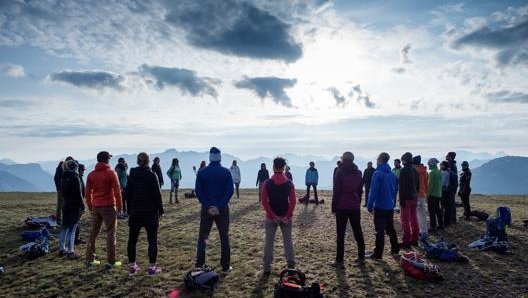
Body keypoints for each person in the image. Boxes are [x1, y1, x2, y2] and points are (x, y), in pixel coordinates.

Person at [195, 147, 234, 273]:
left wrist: (208, 205)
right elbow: (230, 190)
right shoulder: (226, 172)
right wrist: (219, 205)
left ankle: (200, 265)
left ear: (210, 157)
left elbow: (198, 191)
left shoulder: (201, 172)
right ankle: (225, 266)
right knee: (224, 237)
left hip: (207, 209)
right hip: (222, 210)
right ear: (220, 157)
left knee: (203, 238)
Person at [126, 152, 165, 276]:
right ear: (148, 161)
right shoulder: (152, 175)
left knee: (132, 240)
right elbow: (157, 195)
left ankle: (132, 267)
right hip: (150, 212)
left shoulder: (132, 174)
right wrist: (161, 210)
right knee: (152, 240)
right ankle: (152, 268)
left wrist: (129, 210)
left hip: (135, 211)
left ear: (138, 161)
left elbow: (127, 195)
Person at [85, 151, 123, 270]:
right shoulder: (111, 173)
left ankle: (90, 260)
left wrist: (91, 206)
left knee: (93, 234)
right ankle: (110, 261)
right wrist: (120, 207)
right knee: (111, 233)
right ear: (107, 160)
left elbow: (87, 193)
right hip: (109, 206)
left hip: (96, 206)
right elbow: (117, 191)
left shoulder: (91, 175)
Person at [261, 157, 297, 274]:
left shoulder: (267, 183)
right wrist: (287, 216)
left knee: (269, 242)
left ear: (273, 167)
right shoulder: (289, 183)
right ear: (283, 168)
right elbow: (292, 201)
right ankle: (291, 266)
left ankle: (267, 267)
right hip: (286, 216)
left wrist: (272, 215)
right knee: (288, 241)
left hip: (271, 218)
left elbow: (264, 201)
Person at [331, 152, 365, 268]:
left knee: (341, 233)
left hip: (342, 206)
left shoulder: (339, 172)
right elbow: (360, 190)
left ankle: (339, 260)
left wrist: (333, 206)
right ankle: (361, 256)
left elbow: (336, 191)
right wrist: (358, 202)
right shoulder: (358, 173)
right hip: (354, 206)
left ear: (344, 160)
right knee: (358, 231)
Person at [366, 152, 399, 259]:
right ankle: (395, 249)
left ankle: (378, 253)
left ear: (379, 160)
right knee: (390, 228)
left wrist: (369, 205)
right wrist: (393, 203)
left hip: (380, 206)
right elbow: (395, 191)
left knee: (379, 230)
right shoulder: (392, 175)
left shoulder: (377, 174)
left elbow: (373, 191)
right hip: (389, 206)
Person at [58, 160, 85, 260]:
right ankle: (71, 251)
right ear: (75, 167)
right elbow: (79, 194)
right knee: (72, 229)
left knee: (64, 228)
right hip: (74, 207)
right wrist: (82, 206)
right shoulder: (75, 177)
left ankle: (61, 249)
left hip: (65, 205)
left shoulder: (63, 177)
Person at [398, 152, 419, 248]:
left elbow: (401, 186)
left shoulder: (403, 170)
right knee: (414, 219)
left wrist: (401, 199)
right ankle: (415, 239)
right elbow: (418, 186)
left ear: (404, 160)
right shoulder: (415, 170)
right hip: (414, 198)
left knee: (405, 220)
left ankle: (406, 241)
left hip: (406, 198)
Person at [412, 155, 429, 238]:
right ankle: (424, 231)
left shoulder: (414, 171)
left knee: (415, 214)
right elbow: (426, 183)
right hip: (422, 194)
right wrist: (425, 191)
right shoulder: (425, 171)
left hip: (415, 194)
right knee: (422, 214)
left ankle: (418, 231)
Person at [54, 156, 74, 223]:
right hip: (62, 189)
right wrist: (59, 188)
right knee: (60, 203)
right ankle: (58, 217)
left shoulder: (65, 167)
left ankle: (65, 217)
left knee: (66, 203)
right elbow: (56, 178)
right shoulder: (60, 167)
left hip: (67, 189)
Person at [426, 158, 443, 233]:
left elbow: (430, 186)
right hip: (438, 194)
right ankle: (441, 224)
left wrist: (427, 195)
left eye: (429, 164)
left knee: (431, 211)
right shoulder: (439, 172)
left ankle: (433, 227)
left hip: (432, 194)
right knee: (437, 210)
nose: (428, 165)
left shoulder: (432, 173)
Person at [74, 163, 86, 245]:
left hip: (77, 203)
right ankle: (76, 239)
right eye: (82, 170)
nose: (83, 172)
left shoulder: (79, 178)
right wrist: (82, 205)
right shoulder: (78, 179)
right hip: (78, 204)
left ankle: (75, 237)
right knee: (77, 222)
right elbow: (79, 193)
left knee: (76, 221)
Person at [446, 152, 458, 224]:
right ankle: (451, 218)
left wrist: (449, 171)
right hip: (452, 186)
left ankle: (452, 219)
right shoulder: (451, 164)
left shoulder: (451, 165)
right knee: (450, 203)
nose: (446, 156)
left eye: (447, 156)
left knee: (451, 203)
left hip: (451, 187)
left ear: (450, 157)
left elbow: (455, 176)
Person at [440, 161, 451, 227]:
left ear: (443, 166)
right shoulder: (448, 172)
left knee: (444, 206)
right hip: (447, 190)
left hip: (444, 191)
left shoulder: (444, 173)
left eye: (441, 165)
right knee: (446, 206)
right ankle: (447, 220)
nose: (440, 166)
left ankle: (446, 221)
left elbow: (441, 183)